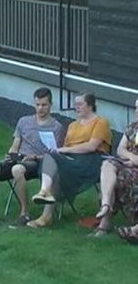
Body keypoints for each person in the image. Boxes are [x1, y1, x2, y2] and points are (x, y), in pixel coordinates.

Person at [0, 87, 64, 227]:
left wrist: (34, 157)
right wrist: (12, 154)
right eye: (37, 105)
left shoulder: (56, 127)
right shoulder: (24, 121)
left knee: (17, 170)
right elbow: (16, 143)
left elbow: (55, 154)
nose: (40, 108)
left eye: (44, 105)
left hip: (38, 162)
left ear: (50, 105)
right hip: (20, 158)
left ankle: (24, 213)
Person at [27, 93, 112, 228]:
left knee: (54, 160)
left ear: (90, 105)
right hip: (71, 159)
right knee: (51, 159)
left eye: (79, 104)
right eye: (75, 105)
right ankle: (45, 195)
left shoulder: (100, 122)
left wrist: (63, 150)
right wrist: (58, 151)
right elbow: (66, 147)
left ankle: (46, 208)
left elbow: (92, 146)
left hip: (92, 161)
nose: (76, 107)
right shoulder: (73, 125)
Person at [91, 99, 138, 236]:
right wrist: (131, 158)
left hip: (133, 167)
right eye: (136, 107)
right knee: (107, 164)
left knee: (116, 179)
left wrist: (134, 161)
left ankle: (105, 225)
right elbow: (120, 149)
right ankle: (106, 204)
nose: (137, 111)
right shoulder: (133, 127)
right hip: (128, 164)